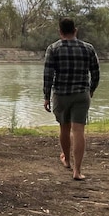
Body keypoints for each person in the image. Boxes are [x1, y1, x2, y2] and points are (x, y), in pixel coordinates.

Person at [43, 17, 100, 181]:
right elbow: (96, 72)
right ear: (75, 31)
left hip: (61, 94)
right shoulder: (87, 48)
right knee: (78, 131)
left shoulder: (53, 49)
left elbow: (48, 74)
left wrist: (46, 96)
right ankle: (77, 171)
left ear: (60, 32)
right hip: (81, 94)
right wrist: (91, 89)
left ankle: (67, 160)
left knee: (64, 128)